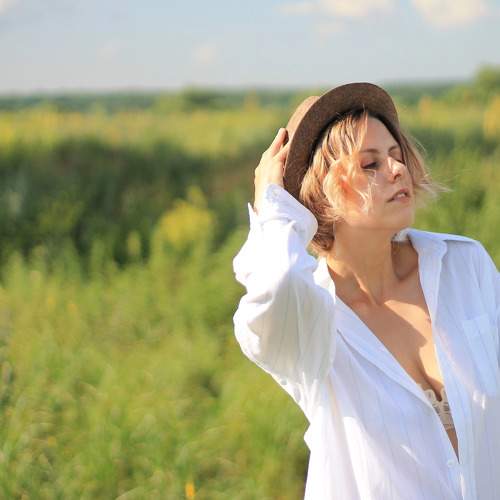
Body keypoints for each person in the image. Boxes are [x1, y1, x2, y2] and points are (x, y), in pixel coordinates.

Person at [232, 82, 500, 500]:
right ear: (322, 190)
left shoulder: (463, 266)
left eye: (396, 154)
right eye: (370, 164)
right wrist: (273, 203)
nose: (397, 169)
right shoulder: (311, 317)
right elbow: (271, 286)